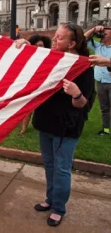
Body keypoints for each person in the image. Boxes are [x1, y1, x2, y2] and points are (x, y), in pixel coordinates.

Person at [15, 22, 94, 227]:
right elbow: (30, 60)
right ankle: (50, 199)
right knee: (50, 165)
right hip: (46, 122)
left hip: (66, 127)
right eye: (55, 36)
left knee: (61, 168)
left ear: (72, 43)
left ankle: (59, 207)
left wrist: (76, 94)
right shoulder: (52, 58)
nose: (54, 40)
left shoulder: (83, 66)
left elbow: (84, 105)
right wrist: (24, 44)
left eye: (60, 37)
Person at [19, 34, 52, 135]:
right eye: (36, 45)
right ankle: (23, 128)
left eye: (41, 45)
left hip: (43, 85)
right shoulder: (28, 56)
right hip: (30, 84)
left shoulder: (50, 57)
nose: (38, 47)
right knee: (27, 107)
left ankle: (44, 126)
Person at [84, 25, 111, 136]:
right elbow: (83, 39)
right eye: (102, 32)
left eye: (106, 33)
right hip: (100, 82)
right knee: (104, 108)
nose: (103, 34)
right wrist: (94, 29)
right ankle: (106, 130)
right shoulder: (98, 46)